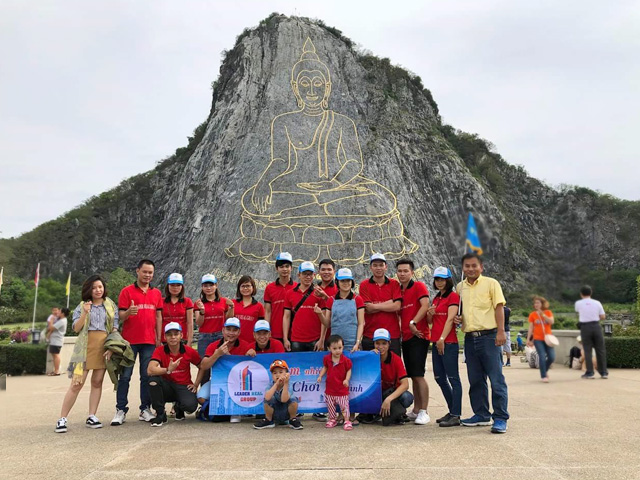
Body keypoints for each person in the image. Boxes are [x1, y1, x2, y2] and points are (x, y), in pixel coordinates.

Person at [55, 275, 119, 433]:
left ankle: (92, 415)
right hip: (85, 346)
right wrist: (85, 313)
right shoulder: (82, 305)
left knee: (97, 382)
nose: (98, 290)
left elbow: (114, 328)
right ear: (88, 290)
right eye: (94, 287)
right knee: (77, 383)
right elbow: (76, 328)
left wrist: (111, 347)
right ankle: (62, 418)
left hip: (103, 346)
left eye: (100, 287)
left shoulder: (110, 305)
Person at [455, 253, 509, 434]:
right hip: (470, 338)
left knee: (496, 379)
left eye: (474, 266)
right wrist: (458, 318)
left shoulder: (491, 283)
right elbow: (460, 312)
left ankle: (500, 417)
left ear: (481, 267)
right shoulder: (460, 287)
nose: (470, 269)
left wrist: (501, 332)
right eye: (467, 266)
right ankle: (481, 414)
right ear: (463, 268)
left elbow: (499, 307)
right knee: (476, 380)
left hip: (489, 337)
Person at [112, 259, 164, 426]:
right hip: (129, 342)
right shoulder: (126, 291)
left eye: (150, 273)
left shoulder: (156, 293)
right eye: (145, 272)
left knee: (146, 376)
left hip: (149, 341)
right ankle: (120, 409)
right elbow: (120, 316)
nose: (147, 275)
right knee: (125, 376)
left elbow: (158, 316)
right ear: (137, 271)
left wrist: (159, 337)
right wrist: (129, 312)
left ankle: (145, 409)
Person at [194, 317, 253, 423]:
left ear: (239, 332)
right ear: (223, 330)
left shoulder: (244, 345)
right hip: (219, 381)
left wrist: (251, 353)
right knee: (201, 397)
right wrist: (217, 354)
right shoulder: (213, 346)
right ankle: (221, 409)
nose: (231, 333)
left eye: (234, 330)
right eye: (228, 329)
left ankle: (234, 410)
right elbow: (204, 366)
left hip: (238, 383)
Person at [396, 258, 431, 425]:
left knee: (418, 376)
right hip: (406, 338)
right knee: (413, 375)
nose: (402, 274)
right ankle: (416, 410)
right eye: (400, 271)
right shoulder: (399, 290)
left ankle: (424, 411)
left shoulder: (418, 286)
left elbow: (425, 305)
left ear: (412, 272)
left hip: (419, 335)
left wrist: (412, 323)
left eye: (405, 271)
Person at [427, 267, 463, 427]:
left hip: (448, 342)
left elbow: (450, 319)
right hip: (436, 341)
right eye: (437, 279)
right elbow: (430, 322)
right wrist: (430, 313)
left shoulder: (453, 296)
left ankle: (456, 414)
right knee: (440, 378)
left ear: (448, 280)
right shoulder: (436, 298)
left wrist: (442, 338)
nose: (439, 282)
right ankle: (452, 410)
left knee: (453, 378)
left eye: (442, 279)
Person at [147, 322, 201, 426]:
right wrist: (168, 369)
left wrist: (196, 384)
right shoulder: (160, 350)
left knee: (191, 407)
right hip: (167, 385)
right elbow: (150, 370)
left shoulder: (189, 351)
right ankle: (160, 414)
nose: (173, 337)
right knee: (153, 381)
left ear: (181, 335)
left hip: (183, 385)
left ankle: (179, 407)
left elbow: (202, 366)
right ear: (165, 337)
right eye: (169, 334)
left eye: (176, 334)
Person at [364, 328, 413, 426]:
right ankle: (377, 412)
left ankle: (396, 412)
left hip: (392, 393)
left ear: (389, 343)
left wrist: (388, 399)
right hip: (375, 394)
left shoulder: (396, 359)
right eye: (377, 343)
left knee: (407, 397)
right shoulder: (370, 357)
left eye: (384, 343)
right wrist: (370, 357)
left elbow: (405, 384)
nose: (380, 346)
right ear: (373, 343)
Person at [358, 253, 402, 354]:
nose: (378, 268)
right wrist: (390, 302)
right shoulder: (364, 285)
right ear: (370, 267)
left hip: (392, 335)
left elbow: (397, 306)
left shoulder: (394, 284)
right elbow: (368, 309)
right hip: (370, 335)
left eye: (381, 265)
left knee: (392, 367)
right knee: (370, 368)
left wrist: (375, 306)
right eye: (375, 265)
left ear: (386, 267)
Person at [194, 274, 234, 384]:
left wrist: (231, 307)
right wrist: (202, 311)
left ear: (216, 285)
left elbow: (229, 320)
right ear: (202, 287)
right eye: (205, 285)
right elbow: (199, 323)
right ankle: (204, 395)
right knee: (204, 367)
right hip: (204, 337)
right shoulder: (198, 303)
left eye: (211, 285)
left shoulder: (223, 301)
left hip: (220, 336)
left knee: (222, 364)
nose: (208, 288)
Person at [282, 262, 327, 352]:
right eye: (305, 274)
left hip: (315, 339)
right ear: (299, 275)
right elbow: (286, 316)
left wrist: (322, 339)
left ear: (314, 275)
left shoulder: (319, 292)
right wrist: (285, 338)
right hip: (296, 339)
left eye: (310, 274)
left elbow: (324, 318)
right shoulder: (290, 293)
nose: (308, 277)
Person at [322, 268, 365, 352]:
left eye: (348, 280)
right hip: (335, 346)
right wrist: (320, 314)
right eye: (343, 281)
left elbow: (360, 323)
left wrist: (357, 342)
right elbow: (327, 324)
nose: (346, 283)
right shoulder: (331, 300)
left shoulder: (358, 299)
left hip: (352, 345)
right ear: (337, 282)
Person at [253, 360, 303, 430]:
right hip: (274, 413)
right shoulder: (271, 384)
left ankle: (292, 419)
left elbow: (284, 400)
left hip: (286, 413)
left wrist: (285, 383)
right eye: (274, 373)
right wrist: (276, 384)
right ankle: (269, 420)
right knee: (269, 398)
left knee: (293, 399)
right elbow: (267, 398)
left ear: (286, 373)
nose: (278, 375)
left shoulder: (289, 384)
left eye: (281, 372)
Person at [317, 335, 353, 430]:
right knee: (330, 406)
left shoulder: (346, 360)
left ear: (343, 347)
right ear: (329, 348)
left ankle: (347, 420)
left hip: (342, 390)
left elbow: (349, 370)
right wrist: (320, 376)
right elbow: (325, 367)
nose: (338, 351)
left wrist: (346, 379)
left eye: (340, 348)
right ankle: (332, 419)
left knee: (344, 406)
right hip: (330, 389)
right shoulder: (327, 359)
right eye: (335, 348)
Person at [574, 286, 608, 379]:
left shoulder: (578, 303)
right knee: (600, 349)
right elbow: (603, 316)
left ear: (581, 293)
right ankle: (603, 372)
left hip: (585, 327)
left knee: (587, 350)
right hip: (596, 326)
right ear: (591, 292)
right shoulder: (597, 303)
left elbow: (578, 312)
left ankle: (589, 372)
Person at [263, 252, 296, 343]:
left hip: (294, 333)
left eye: (287, 266)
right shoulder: (270, 288)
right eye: (281, 267)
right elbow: (268, 311)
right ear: (276, 269)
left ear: (291, 268)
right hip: (275, 333)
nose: (284, 269)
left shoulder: (297, 287)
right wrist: (266, 330)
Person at [526, 296, 556, 383]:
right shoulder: (532, 315)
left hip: (548, 338)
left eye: (538, 303)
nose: (536, 305)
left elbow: (551, 321)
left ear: (542, 304)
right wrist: (528, 339)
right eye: (535, 303)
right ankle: (543, 376)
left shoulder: (548, 312)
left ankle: (545, 369)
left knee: (551, 357)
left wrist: (542, 314)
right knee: (542, 356)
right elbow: (531, 328)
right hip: (538, 339)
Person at [161, 273, 194, 345]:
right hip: (165, 338)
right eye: (172, 285)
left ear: (182, 286)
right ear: (168, 286)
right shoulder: (161, 301)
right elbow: (158, 321)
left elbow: (190, 323)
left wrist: (190, 340)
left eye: (178, 285)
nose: (175, 288)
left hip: (182, 338)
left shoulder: (187, 301)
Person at [233, 275, 266, 343]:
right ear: (239, 288)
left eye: (248, 286)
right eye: (243, 286)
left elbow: (261, 326)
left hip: (251, 342)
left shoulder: (259, 306)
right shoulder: (233, 303)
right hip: (234, 341)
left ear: (253, 287)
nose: (245, 288)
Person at [47, 307, 69, 376]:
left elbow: (51, 327)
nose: (57, 313)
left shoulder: (62, 321)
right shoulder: (61, 320)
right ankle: (55, 370)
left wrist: (51, 321)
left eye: (59, 312)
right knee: (54, 355)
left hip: (57, 340)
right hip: (55, 340)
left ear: (62, 313)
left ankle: (56, 371)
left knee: (56, 355)